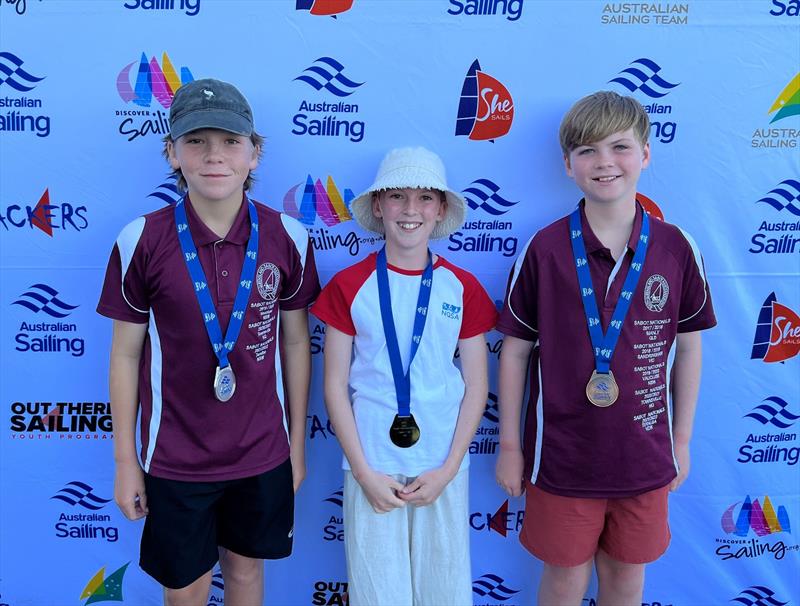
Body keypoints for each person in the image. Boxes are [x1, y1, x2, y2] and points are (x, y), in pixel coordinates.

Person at [97, 78, 320, 606]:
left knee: (245, 577)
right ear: (171, 152)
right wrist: (125, 461)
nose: (214, 156)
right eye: (196, 141)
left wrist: (296, 448)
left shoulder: (289, 237)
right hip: (174, 457)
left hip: (263, 452)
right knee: (186, 590)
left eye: (230, 141)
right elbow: (126, 355)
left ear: (255, 152)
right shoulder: (142, 239)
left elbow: (295, 344)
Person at [495, 91, 716, 606]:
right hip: (561, 458)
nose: (605, 162)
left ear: (646, 154)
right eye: (588, 151)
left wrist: (681, 440)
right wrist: (510, 447)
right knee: (566, 579)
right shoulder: (545, 248)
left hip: (645, 456)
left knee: (625, 578)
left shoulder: (677, 247)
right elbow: (515, 353)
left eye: (619, 146)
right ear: (567, 165)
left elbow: (688, 349)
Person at [311, 147, 497, 605]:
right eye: (396, 196)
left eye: (424, 199)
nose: (410, 210)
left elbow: (476, 386)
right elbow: (334, 385)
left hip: (442, 466)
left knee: (445, 591)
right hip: (372, 464)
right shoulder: (348, 285)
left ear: (440, 209)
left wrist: (449, 468)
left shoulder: (463, 286)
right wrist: (363, 471)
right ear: (379, 207)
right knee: (378, 593)